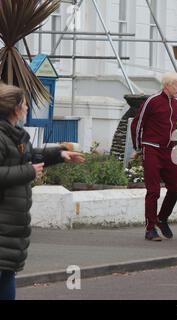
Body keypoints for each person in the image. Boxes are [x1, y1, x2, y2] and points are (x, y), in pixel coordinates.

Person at [0, 84, 85, 300]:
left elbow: (29, 156)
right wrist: (27, 172)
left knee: (7, 273)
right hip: (4, 220)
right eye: (24, 103)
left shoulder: (15, 135)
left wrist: (59, 155)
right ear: (14, 108)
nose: (27, 107)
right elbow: (22, 166)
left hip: (11, 224)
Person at [131, 72, 177, 241]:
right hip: (151, 148)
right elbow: (137, 123)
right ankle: (150, 228)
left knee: (175, 188)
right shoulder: (152, 101)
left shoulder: (176, 104)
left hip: (168, 151)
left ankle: (162, 218)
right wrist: (139, 147)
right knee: (153, 191)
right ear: (167, 85)